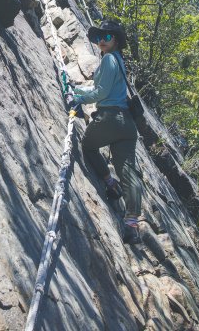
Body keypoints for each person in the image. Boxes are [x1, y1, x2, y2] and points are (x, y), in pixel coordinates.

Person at [72, 20, 142, 244]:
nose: (102, 40)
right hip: (127, 124)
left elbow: (100, 94)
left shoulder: (110, 59)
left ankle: (110, 184)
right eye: (99, 36)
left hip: (110, 118)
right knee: (128, 172)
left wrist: (78, 99)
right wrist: (78, 89)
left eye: (107, 37)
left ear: (116, 40)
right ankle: (132, 225)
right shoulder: (117, 60)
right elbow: (98, 87)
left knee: (88, 147)